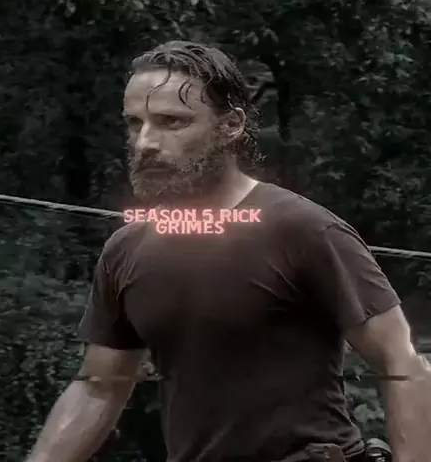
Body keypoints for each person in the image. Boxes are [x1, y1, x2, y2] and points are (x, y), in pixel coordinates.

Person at [25, 41, 430, 462]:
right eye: (134, 123)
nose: (145, 142)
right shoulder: (125, 251)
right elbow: (98, 388)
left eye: (171, 122)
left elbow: (403, 365)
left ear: (231, 125)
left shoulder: (303, 230)